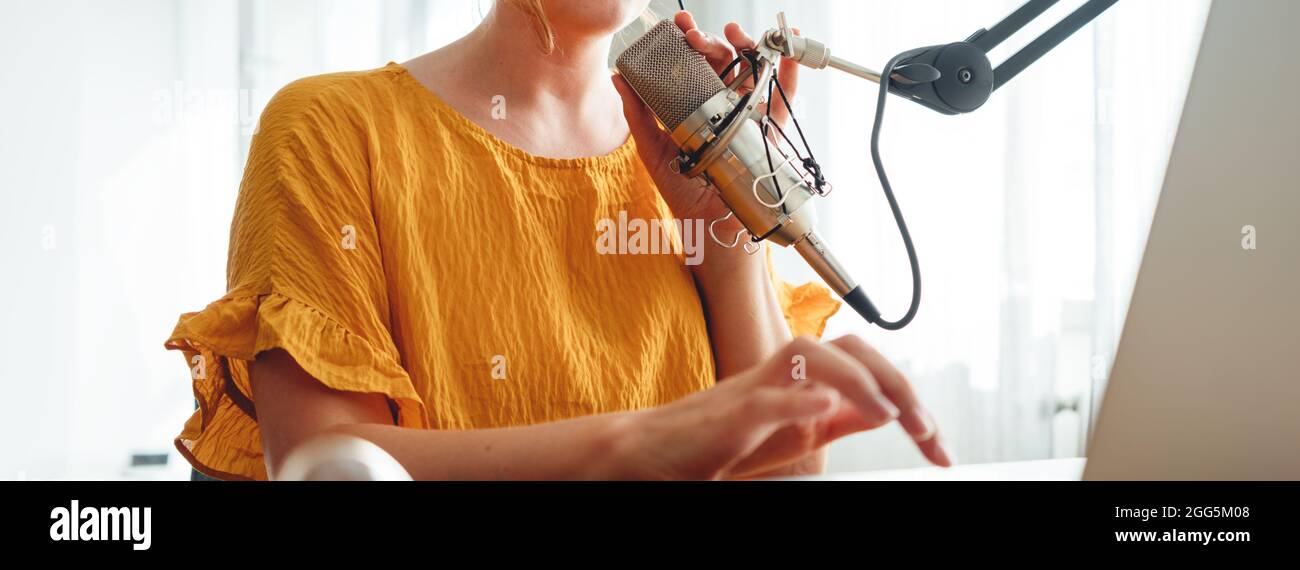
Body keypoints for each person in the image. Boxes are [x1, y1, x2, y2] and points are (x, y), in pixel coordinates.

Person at [165, 0, 952, 481]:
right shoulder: (331, 129)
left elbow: (787, 464)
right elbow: (322, 470)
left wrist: (724, 233)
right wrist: (641, 446)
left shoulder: (694, 155)